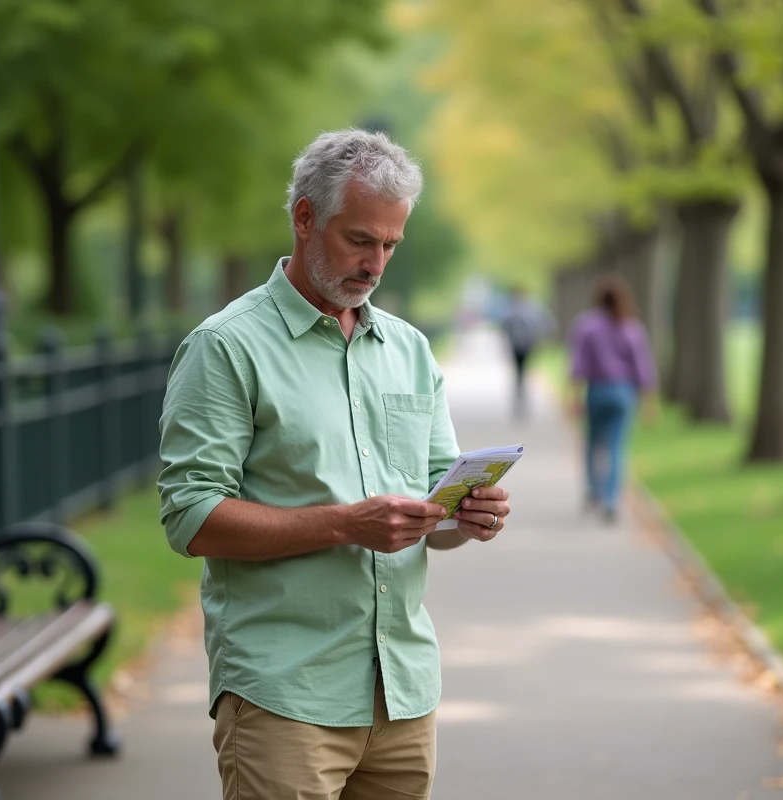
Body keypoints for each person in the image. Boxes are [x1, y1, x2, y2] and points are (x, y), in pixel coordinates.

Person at [157, 129, 512, 800]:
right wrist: (346, 524)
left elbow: (435, 511)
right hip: (283, 691)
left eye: (390, 246)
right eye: (359, 240)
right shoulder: (225, 348)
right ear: (303, 218)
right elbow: (191, 518)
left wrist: (471, 516)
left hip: (402, 691)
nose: (375, 264)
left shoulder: (407, 349)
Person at [567, 274, 658, 523]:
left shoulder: (587, 325)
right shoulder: (631, 327)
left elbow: (579, 366)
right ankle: (610, 500)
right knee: (617, 447)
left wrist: (574, 397)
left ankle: (593, 490)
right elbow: (643, 368)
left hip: (597, 391)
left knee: (593, 444)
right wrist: (649, 403)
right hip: (623, 393)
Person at [499, 285, 554, 419]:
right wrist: (540, 336)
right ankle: (522, 397)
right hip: (528, 344)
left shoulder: (512, 309)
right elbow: (549, 322)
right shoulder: (532, 308)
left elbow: (504, 326)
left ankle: (520, 397)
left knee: (519, 372)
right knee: (523, 372)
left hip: (518, 345)